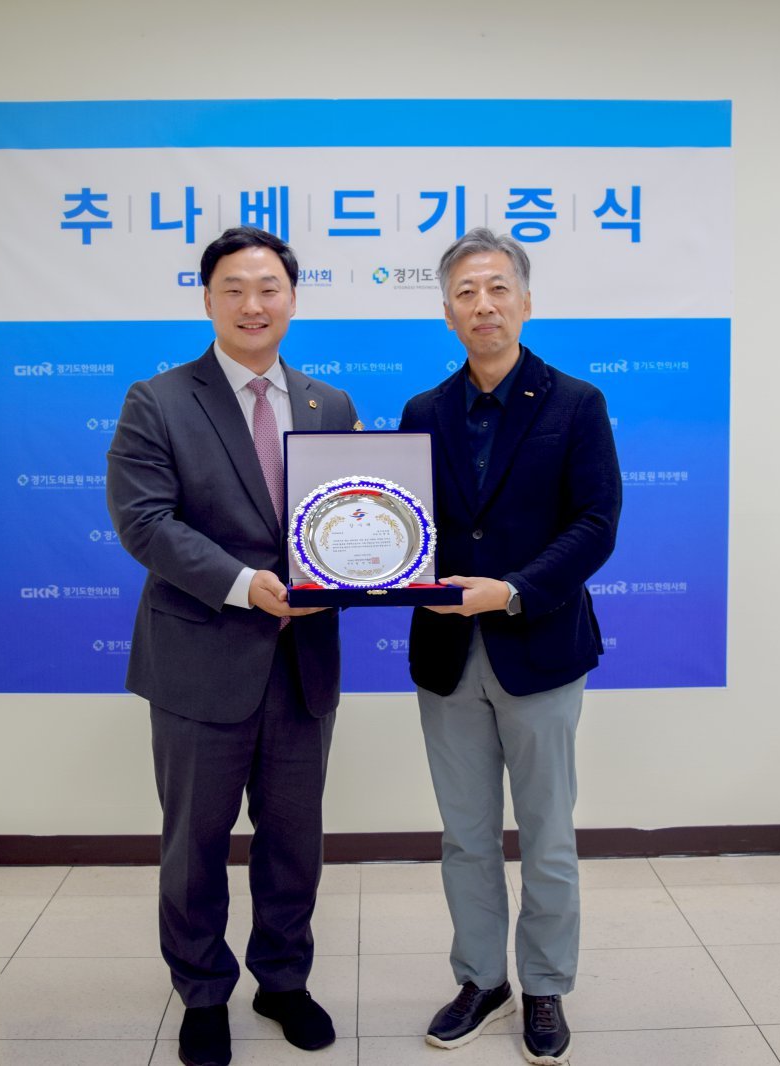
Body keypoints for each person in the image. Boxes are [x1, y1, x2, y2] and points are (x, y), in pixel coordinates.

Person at [107, 226, 360, 1066]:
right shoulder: (159, 400)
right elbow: (145, 523)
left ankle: (283, 981)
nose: (254, 305)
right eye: (234, 289)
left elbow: (351, 522)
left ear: (292, 298)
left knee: (294, 842)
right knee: (195, 845)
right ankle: (203, 991)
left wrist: (367, 568)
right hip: (200, 659)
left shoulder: (330, 405)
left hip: (302, 664)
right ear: (208, 299)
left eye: (269, 288)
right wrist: (244, 583)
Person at [400, 228, 622, 1065]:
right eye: (466, 292)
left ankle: (545, 986)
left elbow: (596, 524)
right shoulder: (423, 413)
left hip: (541, 647)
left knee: (547, 836)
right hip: (446, 653)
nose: (483, 305)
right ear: (447, 312)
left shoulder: (575, 404)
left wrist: (515, 588)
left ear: (525, 301)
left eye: (498, 289)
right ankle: (481, 979)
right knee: (465, 836)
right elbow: (403, 526)